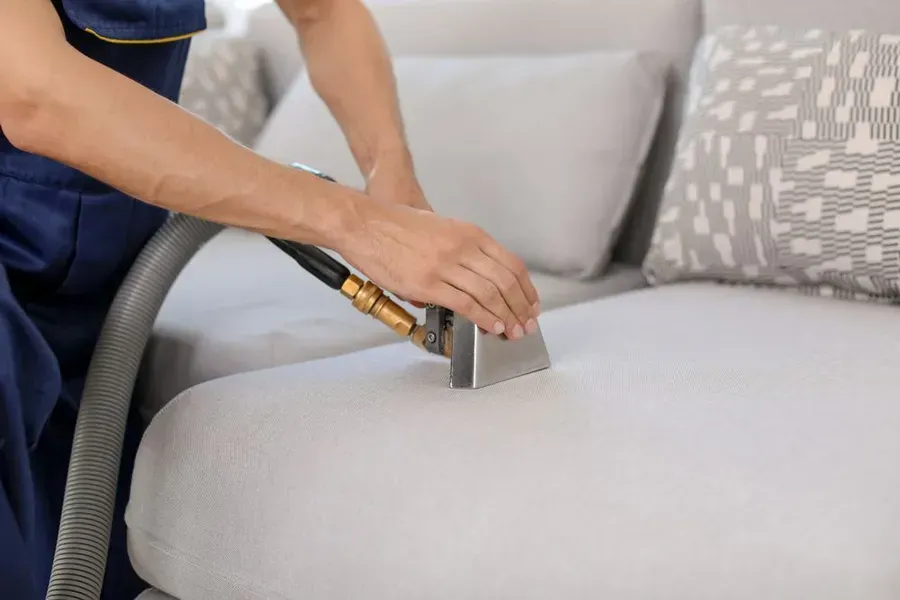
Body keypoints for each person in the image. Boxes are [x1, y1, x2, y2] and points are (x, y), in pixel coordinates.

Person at [0, 0, 542, 598]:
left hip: (94, 278)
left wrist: (392, 176)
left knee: (92, 555)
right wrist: (359, 225)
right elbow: (33, 93)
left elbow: (324, 12)